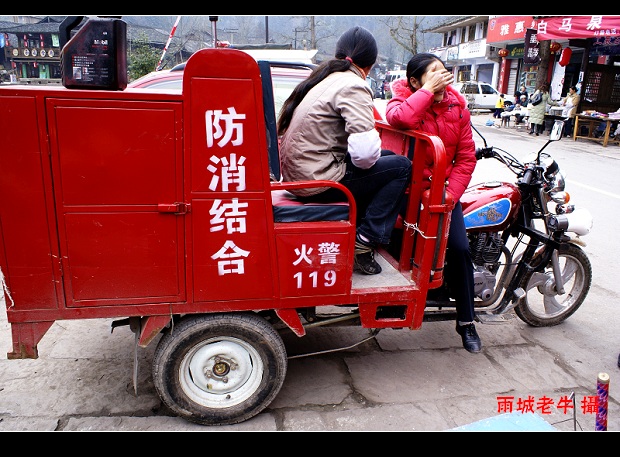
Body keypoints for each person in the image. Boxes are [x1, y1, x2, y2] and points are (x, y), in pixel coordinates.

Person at [277, 26, 412, 276]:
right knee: (402, 167)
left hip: (301, 175)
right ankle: (366, 239)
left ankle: (362, 229)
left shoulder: (324, 79)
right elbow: (363, 155)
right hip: (317, 182)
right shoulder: (353, 85)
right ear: (370, 65)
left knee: (389, 159)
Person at [385, 53, 482, 353]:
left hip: (442, 194)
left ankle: (466, 321)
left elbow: (466, 157)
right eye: (434, 73)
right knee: (397, 240)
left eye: (445, 72)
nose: (443, 78)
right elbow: (400, 119)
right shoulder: (401, 102)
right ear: (414, 81)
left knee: (461, 248)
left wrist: (450, 193)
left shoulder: (458, 109)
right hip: (407, 192)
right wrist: (426, 93)